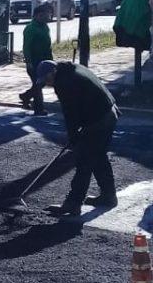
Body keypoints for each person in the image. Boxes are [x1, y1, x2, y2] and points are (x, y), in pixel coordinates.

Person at [33, 59, 119, 216]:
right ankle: (109, 196)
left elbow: (70, 113)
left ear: (53, 73)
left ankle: (74, 203)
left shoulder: (64, 83)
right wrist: (75, 133)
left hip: (100, 118)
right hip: (107, 113)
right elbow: (78, 107)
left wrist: (73, 136)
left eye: (46, 80)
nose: (47, 84)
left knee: (84, 160)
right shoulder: (72, 69)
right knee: (98, 157)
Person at [19, 3, 54, 116]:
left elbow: (48, 44)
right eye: (46, 15)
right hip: (34, 62)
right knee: (38, 84)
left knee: (41, 83)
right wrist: (29, 61)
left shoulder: (45, 27)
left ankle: (26, 96)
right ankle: (39, 108)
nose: (48, 17)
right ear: (38, 15)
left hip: (45, 61)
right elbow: (26, 46)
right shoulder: (30, 28)